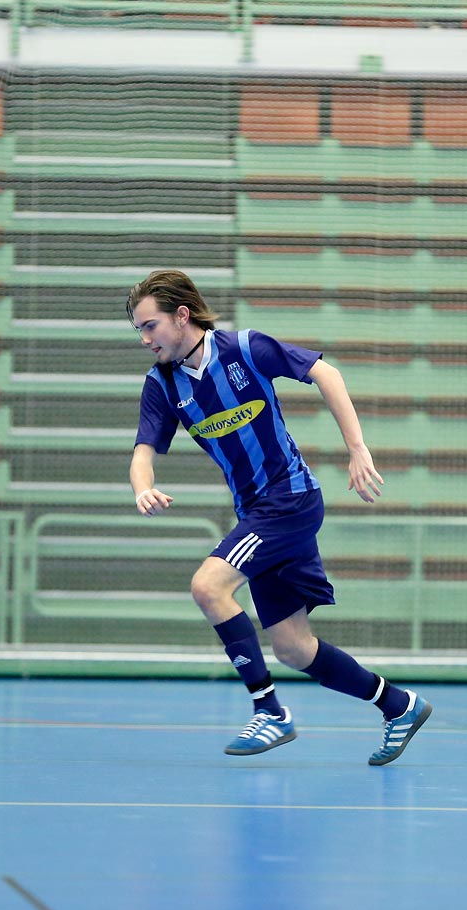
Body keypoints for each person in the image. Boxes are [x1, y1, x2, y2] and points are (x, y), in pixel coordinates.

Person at [126, 269, 433, 765]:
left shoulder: (246, 349)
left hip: (288, 501)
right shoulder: (162, 384)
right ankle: (399, 706)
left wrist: (357, 449)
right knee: (293, 648)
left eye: (150, 326)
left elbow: (325, 373)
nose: (144, 339)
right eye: (138, 330)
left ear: (182, 317)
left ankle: (270, 710)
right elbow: (144, 449)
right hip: (257, 513)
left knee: (208, 586)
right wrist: (143, 487)